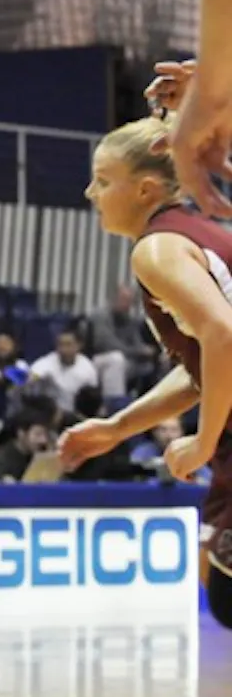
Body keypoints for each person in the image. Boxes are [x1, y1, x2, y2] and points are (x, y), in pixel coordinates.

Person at [63, 116, 232, 628]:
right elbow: (206, 366)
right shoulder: (201, 233)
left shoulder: (155, 249)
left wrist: (201, 443)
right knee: (220, 586)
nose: (92, 192)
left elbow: (223, 335)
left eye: (103, 180)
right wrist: (119, 428)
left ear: (144, 189)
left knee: (222, 589)